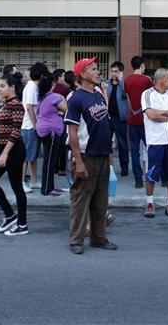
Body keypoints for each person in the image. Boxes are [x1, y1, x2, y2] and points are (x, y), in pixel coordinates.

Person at [66, 57, 117, 254]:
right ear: (83, 74)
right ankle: (76, 240)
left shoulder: (97, 95)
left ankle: (99, 238)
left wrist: (109, 156)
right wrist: (78, 161)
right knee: (81, 199)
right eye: (94, 69)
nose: (98, 72)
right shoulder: (76, 98)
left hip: (102, 155)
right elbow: (72, 131)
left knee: (101, 201)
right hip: (86, 156)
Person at [0, 74, 29, 236]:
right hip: (5, 149)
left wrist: (4, 153)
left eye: (2, 86)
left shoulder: (16, 104)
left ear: (12, 87)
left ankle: (22, 225)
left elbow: (16, 132)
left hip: (14, 150)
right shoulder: (6, 104)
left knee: (17, 187)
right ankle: (10, 215)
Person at [141, 68, 168, 218]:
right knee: (151, 174)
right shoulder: (147, 94)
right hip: (155, 141)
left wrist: (161, 112)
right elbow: (151, 115)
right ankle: (150, 202)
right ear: (160, 79)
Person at [124, 56, 153, 189]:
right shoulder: (147, 80)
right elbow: (151, 97)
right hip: (145, 119)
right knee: (151, 148)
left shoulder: (127, 80)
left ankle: (138, 179)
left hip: (132, 119)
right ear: (141, 65)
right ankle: (151, 176)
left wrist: (133, 111)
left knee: (134, 151)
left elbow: (127, 98)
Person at [36, 73, 66, 196]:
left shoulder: (42, 97)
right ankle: (47, 189)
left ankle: (50, 186)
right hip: (51, 131)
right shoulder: (54, 97)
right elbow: (65, 108)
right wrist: (61, 97)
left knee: (50, 160)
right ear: (52, 84)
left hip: (43, 130)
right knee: (49, 161)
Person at [21, 63, 49, 194]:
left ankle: (33, 181)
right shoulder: (32, 87)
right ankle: (21, 182)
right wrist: (36, 125)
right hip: (29, 127)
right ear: (42, 75)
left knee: (33, 156)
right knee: (27, 156)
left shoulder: (32, 86)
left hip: (30, 126)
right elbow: (30, 108)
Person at [107, 61, 130, 178]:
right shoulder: (108, 84)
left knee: (122, 143)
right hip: (109, 117)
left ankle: (124, 168)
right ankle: (107, 167)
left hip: (120, 118)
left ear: (121, 72)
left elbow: (125, 94)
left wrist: (120, 81)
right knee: (106, 143)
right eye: (112, 71)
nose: (113, 73)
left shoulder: (124, 84)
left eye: (116, 71)